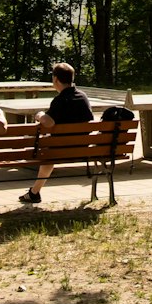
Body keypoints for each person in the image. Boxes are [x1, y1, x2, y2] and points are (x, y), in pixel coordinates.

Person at [18, 62, 94, 205]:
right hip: (83, 148)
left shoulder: (60, 100)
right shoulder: (83, 97)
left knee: (47, 149)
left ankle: (34, 192)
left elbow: (49, 122)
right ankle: (34, 192)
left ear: (56, 80)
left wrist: (40, 115)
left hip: (60, 150)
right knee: (50, 146)